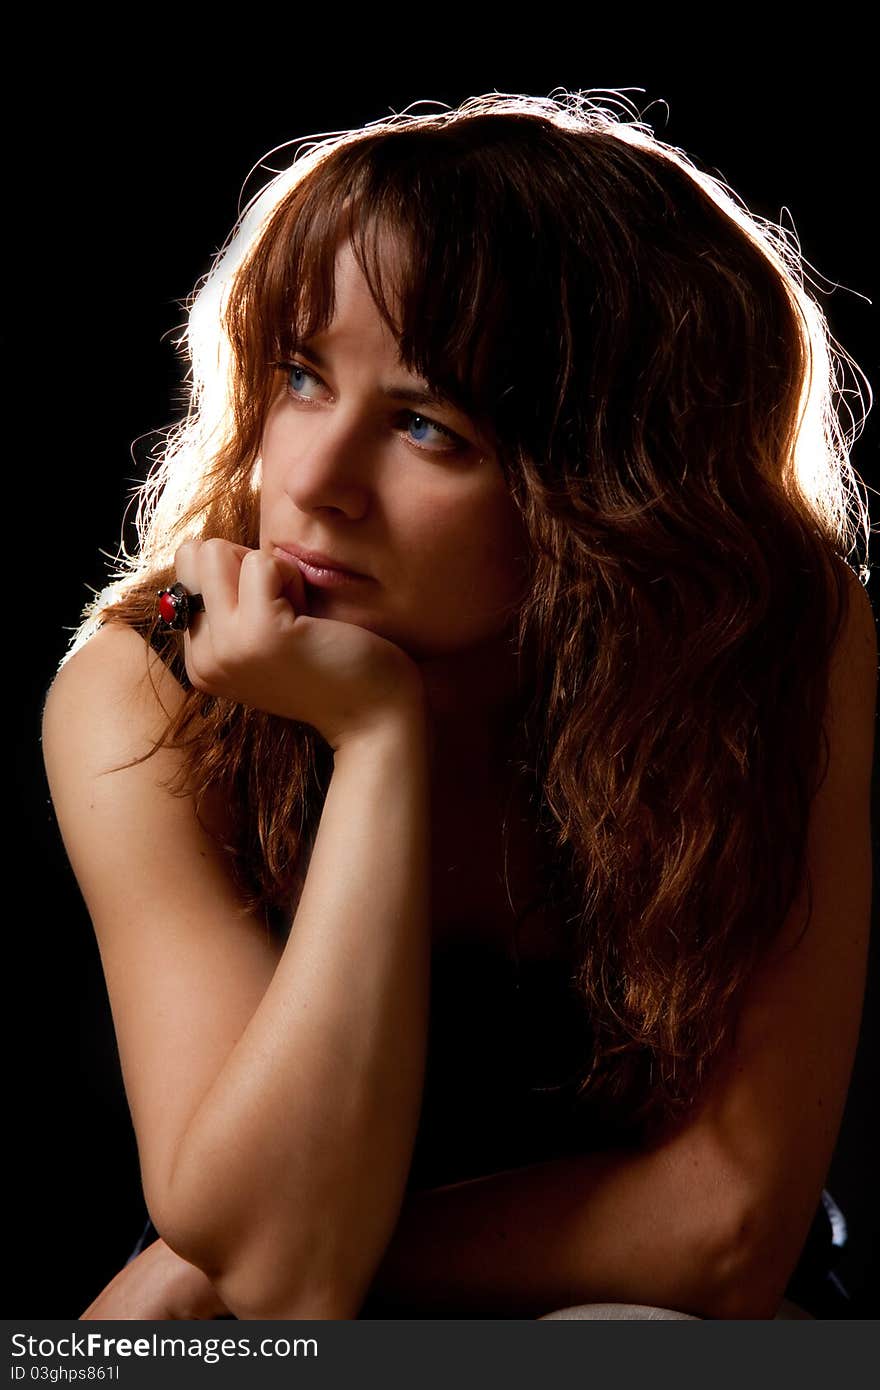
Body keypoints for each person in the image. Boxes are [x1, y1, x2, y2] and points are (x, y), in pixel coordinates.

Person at [42, 89, 876, 1321]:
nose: (313, 481)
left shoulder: (767, 633)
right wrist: (375, 737)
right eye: (301, 377)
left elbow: (725, 1233)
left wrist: (202, 1267)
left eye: (428, 428)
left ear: (612, 486)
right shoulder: (143, 689)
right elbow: (284, 1275)